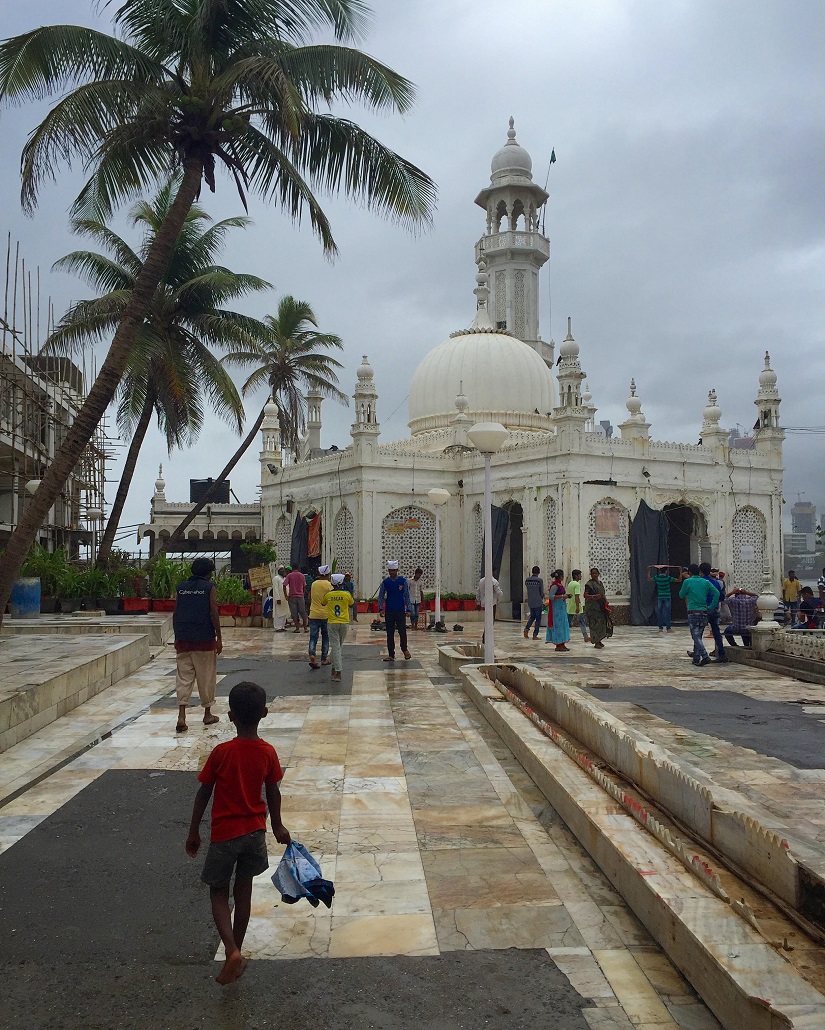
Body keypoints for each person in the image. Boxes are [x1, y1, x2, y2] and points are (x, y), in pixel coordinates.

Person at [185, 681, 291, 986]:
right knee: (243, 893)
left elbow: (203, 794)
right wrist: (278, 825)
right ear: (265, 713)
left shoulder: (222, 753)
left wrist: (194, 832)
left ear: (230, 715)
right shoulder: (267, 752)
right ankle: (238, 951)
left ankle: (231, 951)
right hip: (254, 834)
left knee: (218, 892)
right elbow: (273, 792)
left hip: (224, 835)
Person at [174, 556, 222, 734]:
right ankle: (207, 713)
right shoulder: (209, 588)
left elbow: (176, 613)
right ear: (208, 573)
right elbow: (213, 613)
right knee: (206, 677)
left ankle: (181, 716)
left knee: (183, 678)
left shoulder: (181, 589)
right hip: (204, 639)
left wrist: (177, 636)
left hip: (184, 639)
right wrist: (219, 637)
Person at [679, 563, 719, 667]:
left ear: (690, 573)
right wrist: (711, 606)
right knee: (699, 635)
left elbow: (681, 595)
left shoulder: (688, 581)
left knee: (695, 636)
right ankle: (696, 658)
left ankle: (705, 656)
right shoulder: (705, 582)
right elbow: (717, 593)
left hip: (693, 612)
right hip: (703, 611)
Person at [378, 560, 411, 661]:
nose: (392, 572)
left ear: (397, 570)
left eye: (393, 570)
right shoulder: (385, 582)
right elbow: (381, 596)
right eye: (390, 570)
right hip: (389, 610)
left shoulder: (403, 581)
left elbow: (406, 595)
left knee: (402, 631)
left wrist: (408, 609)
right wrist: (380, 608)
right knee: (390, 632)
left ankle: (405, 650)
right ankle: (391, 654)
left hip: (400, 610)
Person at [326, 573, 353, 681]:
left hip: (332, 623)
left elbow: (323, 603)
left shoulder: (328, 595)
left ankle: (338, 671)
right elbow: (351, 604)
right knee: (338, 647)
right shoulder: (346, 595)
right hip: (344, 623)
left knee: (336, 647)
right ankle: (333, 669)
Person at [700, 563, 727, 663]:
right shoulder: (716, 583)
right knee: (716, 632)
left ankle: (698, 653)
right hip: (715, 609)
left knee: (698, 631)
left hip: (704, 609)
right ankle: (721, 653)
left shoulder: (701, 582)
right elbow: (721, 597)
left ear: (701, 572)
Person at [308, 564, 332, 670]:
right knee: (325, 637)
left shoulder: (314, 584)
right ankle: (324, 658)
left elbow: (310, 597)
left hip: (313, 614)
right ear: (327, 574)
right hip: (325, 615)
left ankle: (312, 655)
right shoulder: (329, 585)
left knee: (313, 637)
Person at [584, 568, 611, 649]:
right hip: (592, 608)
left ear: (598, 574)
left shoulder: (600, 583)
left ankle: (599, 640)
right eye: (592, 573)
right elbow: (585, 595)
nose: (594, 575)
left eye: (596, 573)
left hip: (600, 606)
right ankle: (596, 642)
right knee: (594, 624)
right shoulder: (589, 584)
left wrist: (606, 601)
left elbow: (602, 594)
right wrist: (593, 597)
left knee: (601, 623)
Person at [650, 565, 680, 634]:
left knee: (660, 612)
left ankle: (660, 627)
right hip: (667, 596)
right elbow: (679, 580)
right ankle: (668, 628)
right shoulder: (668, 578)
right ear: (666, 571)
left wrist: (649, 570)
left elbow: (649, 579)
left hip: (660, 596)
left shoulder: (657, 577)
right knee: (667, 612)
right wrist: (680, 571)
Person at [545, 570, 570, 652]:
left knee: (562, 625)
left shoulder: (560, 585)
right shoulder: (555, 586)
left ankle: (562, 643)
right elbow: (551, 596)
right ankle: (558, 644)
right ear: (561, 576)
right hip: (556, 609)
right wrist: (562, 596)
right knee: (558, 626)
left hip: (561, 608)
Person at [566, 569, 590, 643]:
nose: (581, 576)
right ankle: (585, 637)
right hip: (576, 606)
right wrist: (577, 606)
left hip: (570, 605)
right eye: (580, 575)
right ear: (576, 576)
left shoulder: (570, 583)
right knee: (582, 621)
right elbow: (576, 596)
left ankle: (564, 636)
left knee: (567, 622)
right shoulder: (577, 584)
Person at [283, 565, 307, 633]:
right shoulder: (302, 575)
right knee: (303, 612)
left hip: (292, 597)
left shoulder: (289, 575)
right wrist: (303, 593)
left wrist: (286, 595)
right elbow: (304, 586)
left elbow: (284, 585)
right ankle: (305, 628)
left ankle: (297, 628)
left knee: (294, 613)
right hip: (300, 596)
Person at [524, 566, 545, 639]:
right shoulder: (539, 580)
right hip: (538, 601)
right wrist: (542, 599)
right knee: (538, 618)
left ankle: (526, 629)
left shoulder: (527, 580)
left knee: (532, 616)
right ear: (539, 572)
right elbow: (541, 592)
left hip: (530, 601)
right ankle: (535, 634)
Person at [269, 564, 287, 632]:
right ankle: (278, 627)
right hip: (279, 599)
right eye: (281, 569)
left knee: (284, 613)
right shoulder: (276, 578)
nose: (283, 571)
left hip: (285, 599)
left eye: (283, 569)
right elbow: (275, 589)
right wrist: (278, 598)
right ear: (279, 571)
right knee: (278, 614)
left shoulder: (284, 579)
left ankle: (282, 626)